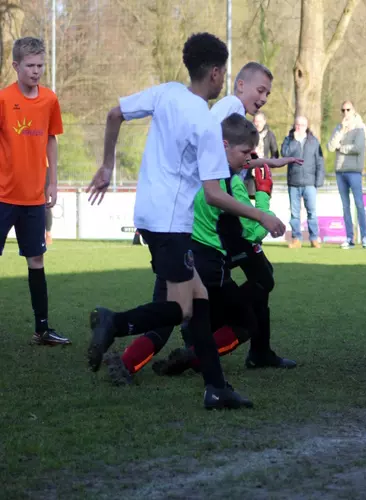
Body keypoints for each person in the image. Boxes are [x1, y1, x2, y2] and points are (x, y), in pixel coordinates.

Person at [85, 33, 286, 409]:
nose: (224, 81)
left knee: (199, 301)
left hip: (147, 215)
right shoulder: (208, 124)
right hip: (173, 224)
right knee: (179, 308)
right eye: (224, 74)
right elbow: (214, 193)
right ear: (215, 73)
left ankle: (216, 387)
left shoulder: (165, 93)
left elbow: (114, 114)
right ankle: (116, 322)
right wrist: (261, 213)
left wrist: (108, 164)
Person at [105, 113, 295, 384]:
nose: (249, 158)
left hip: (175, 250)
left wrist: (266, 162)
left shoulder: (195, 168)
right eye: (246, 152)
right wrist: (263, 195)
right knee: (243, 321)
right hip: (207, 263)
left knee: (167, 317)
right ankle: (195, 357)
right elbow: (252, 231)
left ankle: (124, 360)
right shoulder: (228, 186)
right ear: (225, 145)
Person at [0, 37, 69, 346]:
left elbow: (52, 139)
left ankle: (42, 329)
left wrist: (52, 181)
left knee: (37, 261)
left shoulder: (50, 100)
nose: (36, 71)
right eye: (30, 65)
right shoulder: (3, 100)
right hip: (2, 196)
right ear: (16, 66)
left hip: (33, 198)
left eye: (41, 65)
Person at [208, 61, 303, 197]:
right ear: (241, 85)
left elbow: (239, 160)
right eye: (260, 91)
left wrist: (271, 162)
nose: (264, 99)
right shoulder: (234, 106)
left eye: (267, 94)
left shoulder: (234, 109)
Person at [328, 100, 366, 249]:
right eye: (343, 110)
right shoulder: (339, 128)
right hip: (340, 172)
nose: (345, 113)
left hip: (354, 171)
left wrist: (341, 147)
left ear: (353, 110)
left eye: (348, 110)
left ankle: (365, 238)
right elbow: (331, 146)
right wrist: (341, 131)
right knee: (345, 207)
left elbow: (358, 147)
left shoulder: (360, 128)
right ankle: (349, 238)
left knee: (359, 205)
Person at [282, 115, 325, 248]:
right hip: (293, 182)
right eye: (297, 124)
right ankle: (296, 239)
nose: (299, 127)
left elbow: (319, 162)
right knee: (294, 213)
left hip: (310, 182)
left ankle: (314, 238)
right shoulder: (289, 140)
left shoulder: (314, 141)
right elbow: (285, 154)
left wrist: (318, 181)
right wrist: (294, 141)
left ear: (307, 127)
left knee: (312, 212)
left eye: (302, 125)